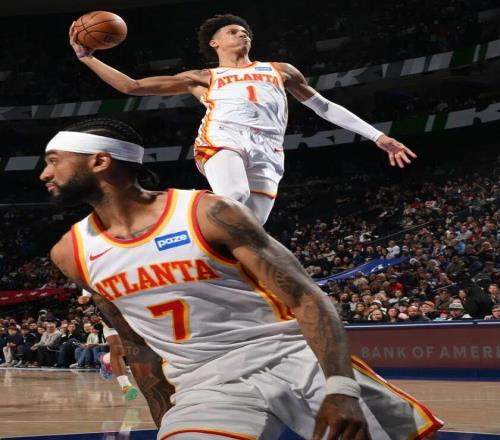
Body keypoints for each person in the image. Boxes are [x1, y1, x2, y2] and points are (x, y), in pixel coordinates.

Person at [43, 118, 441, 439]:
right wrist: (166, 420)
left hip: (295, 359)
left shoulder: (208, 213)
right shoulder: (71, 253)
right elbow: (137, 346)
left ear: (100, 161)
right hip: (207, 385)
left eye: (54, 160)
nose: (45, 173)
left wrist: (341, 387)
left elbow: (305, 297)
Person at [68, 14, 416, 225]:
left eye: (245, 31)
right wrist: (87, 58)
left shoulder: (280, 70)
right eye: (233, 31)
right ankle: (167, 219)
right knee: (233, 194)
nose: (242, 34)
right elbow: (131, 86)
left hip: (269, 149)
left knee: (250, 226)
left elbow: (323, 106)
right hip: (223, 139)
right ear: (215, 43)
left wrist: (378, 136)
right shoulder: (203, 77)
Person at [80, 289, 139, 401]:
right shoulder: (93, 279)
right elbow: (85, 295)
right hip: (109, 317)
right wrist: (84, 298)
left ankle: (106, 359)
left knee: (132, 349)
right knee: (117, 349)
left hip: (132, 314)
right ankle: (126, 386)